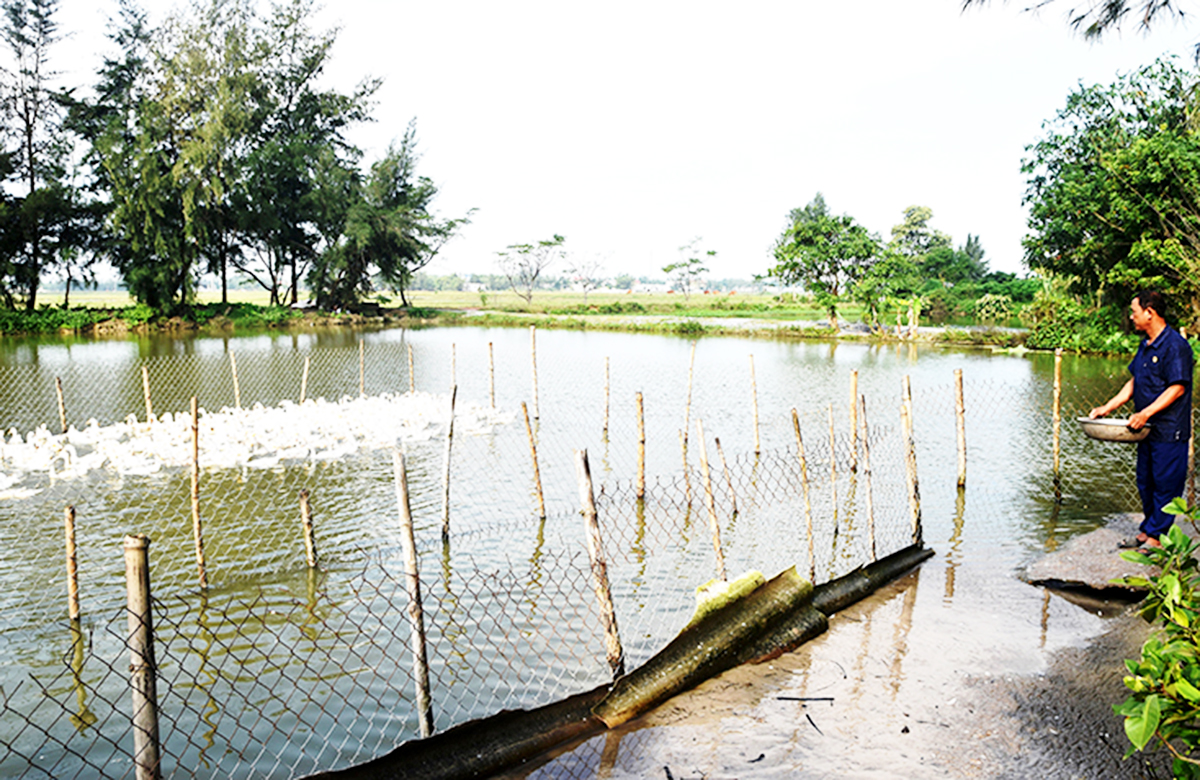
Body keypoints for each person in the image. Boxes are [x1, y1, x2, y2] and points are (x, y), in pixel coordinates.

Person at [1089, 290, 1194, 550]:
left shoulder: (1175, 346)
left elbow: (1177, 387)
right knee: (1145, 480)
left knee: (1165, 482)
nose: (1131, 317)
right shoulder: (1146, 344)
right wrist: (1108, 407)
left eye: (1134, 312)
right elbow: (1135, 381)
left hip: (1169, 430)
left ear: (1150, 312)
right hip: (1145, 430)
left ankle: (1157, 537)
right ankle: (1148, 531)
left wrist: (1146, 412)